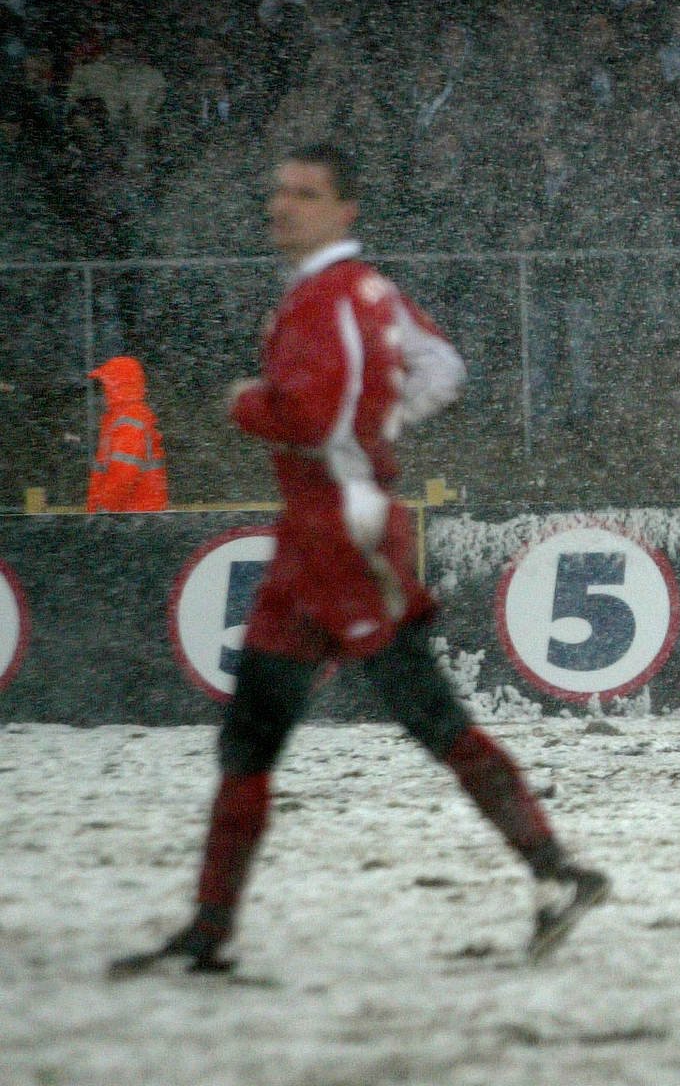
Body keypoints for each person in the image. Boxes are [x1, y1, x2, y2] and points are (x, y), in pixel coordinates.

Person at [112, 144, 607, 976]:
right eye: (278, 189)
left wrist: (252, 406)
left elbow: (310, 414)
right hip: (311, 540)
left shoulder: (328, 299)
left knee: (425, 714)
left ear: (346, 211)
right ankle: (208, 929)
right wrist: (381, 423)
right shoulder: (364, 293)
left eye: (303, 194)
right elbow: (441, 368)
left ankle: (557, 872)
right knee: (251, 736)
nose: (281, 206)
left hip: (343, 536)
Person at [87, 355, 169, 512]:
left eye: (106, 384)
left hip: (130, 521)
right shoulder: (124, 417)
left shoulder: (129, 419)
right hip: (132, 519)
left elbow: (122, 474)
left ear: (117, 385)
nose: (103, 391)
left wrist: (103, 513)